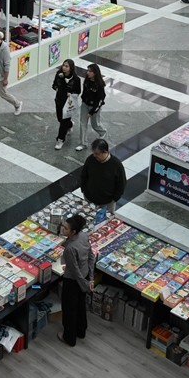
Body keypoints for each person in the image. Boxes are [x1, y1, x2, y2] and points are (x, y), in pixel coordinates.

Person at [58, 213, 95, 347]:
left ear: (73, 232)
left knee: (69, 309)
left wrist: (84, 284)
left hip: (73, 281)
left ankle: (69, 337)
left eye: (65, 228)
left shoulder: (70, 248)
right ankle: (81, 331)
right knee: (80, 305)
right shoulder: (84, 236)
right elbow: (91, 257)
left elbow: (74, 270)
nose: (62, 229)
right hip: (84, 277)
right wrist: (90, 280)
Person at [79, 139, 126, 213]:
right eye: (93, 153)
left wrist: (114, 199)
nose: (94, 155)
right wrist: (83, 189)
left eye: (97, 153)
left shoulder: (116, 165)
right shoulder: (91, 159)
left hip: (107, 203)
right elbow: (84, 175)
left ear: (105, 152)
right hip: (89, 198)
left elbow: (121, 184)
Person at [77, 64, 109, 150]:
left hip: (94, 107)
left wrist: (92, 112)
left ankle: (102, 132)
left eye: (90, 71)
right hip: (85, 105)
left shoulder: (99, 85)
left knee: (95, 124)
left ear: (95, 73)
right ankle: (83, 143)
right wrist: (83, 100)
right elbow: (84, 92)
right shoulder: (87, 81)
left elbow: (100, 99)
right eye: (88, 71)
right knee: (82, 123)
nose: (88, 73)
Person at [51, 58, 81, 151]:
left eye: (66, 66)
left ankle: (60, 139)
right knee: (60, 118)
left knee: (64, 121)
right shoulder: (58, 75)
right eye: (63, 65)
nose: (64, 68)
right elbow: (54, 84)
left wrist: (71, 94)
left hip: (68, 103)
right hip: (59, 100)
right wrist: (56, 88)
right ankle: (70, 124)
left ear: (71, 68)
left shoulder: (76, 79)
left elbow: (78, 91)